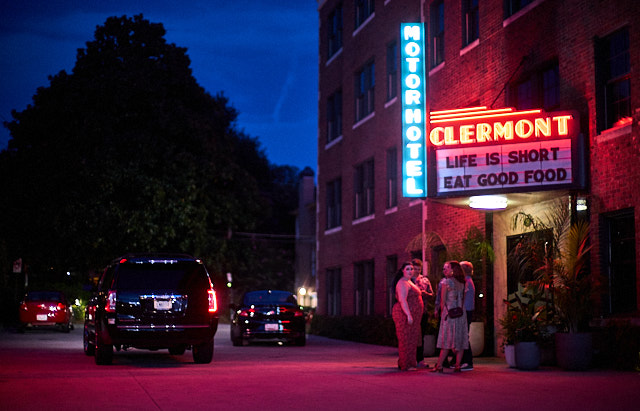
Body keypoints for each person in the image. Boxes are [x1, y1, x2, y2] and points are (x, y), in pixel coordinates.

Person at [432, 260, 469, 373]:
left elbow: (443, 301)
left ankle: (439, 366)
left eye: (447, 268)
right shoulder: (463, 282)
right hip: (461, 314)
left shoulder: (446, 282)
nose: (444, 270)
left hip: (449, 313)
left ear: (453, 270)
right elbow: (463, 299)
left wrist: (442, 314)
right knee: (460, 338)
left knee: (446, 340)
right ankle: (457, 365)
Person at [392, 262, 424, 371]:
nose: (410, 271)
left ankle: (410, 362)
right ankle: (406, 363)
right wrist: (409, 315)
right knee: (406, 339)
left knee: (411, 339)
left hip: (412, 316)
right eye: (408, 269)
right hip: (404, 315)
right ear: (403, 270)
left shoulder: (409, 281)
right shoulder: (402, 283)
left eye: (412, 269)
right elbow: (402, 300)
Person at [412, 258, 434, 368]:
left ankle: (420, 359)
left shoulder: (425, 280)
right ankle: (410, 358)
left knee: (421, 336)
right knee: (411, 335)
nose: (417, 271)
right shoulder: (408, 280)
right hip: (411, 312)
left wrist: (425, 294)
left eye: (418, 269)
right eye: (415, 269)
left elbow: (432, 294)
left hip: (422, 311)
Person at [459, 261, 476, 371]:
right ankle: (461, 360)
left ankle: (467, 361)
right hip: (467, 310)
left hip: (465, 311)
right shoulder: (469, 281)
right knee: (463, 335)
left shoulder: (466, 282)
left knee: (464, 336)